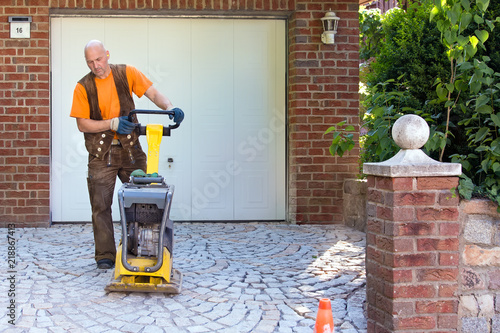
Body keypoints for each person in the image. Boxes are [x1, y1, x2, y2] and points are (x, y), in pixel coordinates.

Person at [70, 40, 184, 269]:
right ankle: (105, 255)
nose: (96, 65)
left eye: (99, 59)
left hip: (131, 150)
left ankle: (143, 247)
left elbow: (152, 93)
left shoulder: (126, 73)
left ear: (107, 55)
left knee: (146, 199)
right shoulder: (83, 86)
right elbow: (82, 124)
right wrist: (111, 123)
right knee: (100, 205)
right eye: (90, 62)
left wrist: (170, 108)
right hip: (101, 156)